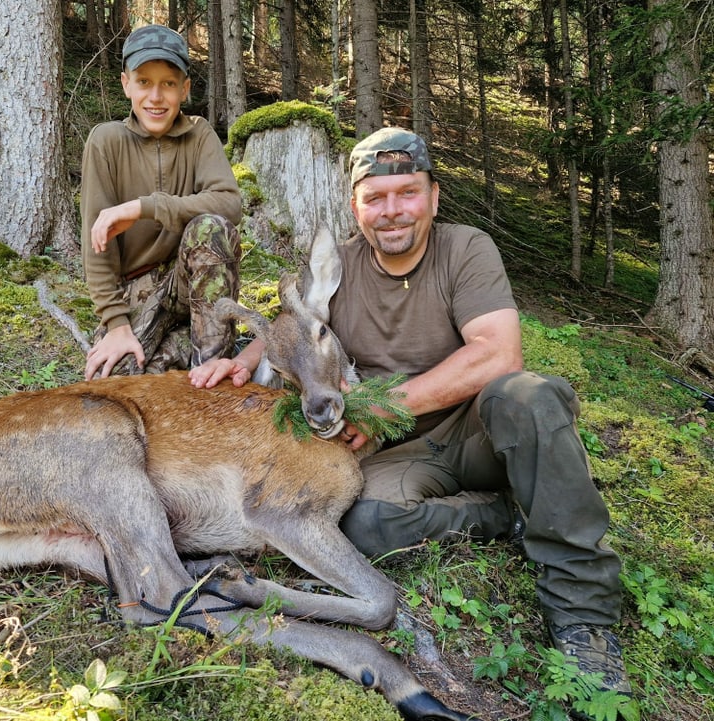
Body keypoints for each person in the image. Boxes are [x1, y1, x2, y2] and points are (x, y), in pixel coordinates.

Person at [190, 127, 635, 719]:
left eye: (408, 193)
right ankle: (501, 516)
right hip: (397, 452)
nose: (392, 211)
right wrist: (241, 363)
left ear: (433, 196)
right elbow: (296, 330)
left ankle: (584, 617)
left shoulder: (465, 249)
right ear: (356, 206)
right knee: (361, 524)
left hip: (475, 431)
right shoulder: (338, 266)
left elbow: (498, 353)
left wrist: (379, 409)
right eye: (375, 198)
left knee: (528, 398)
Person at [80, 24, 242, 380]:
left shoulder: (200, 136)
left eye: (168, 84)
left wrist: (144, 207)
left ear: (184, 89)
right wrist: (116, 323)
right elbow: (97, 244)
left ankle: (211, 365)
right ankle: (172, 354)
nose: (155, 97)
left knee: (210, 227)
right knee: (115, 382)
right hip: (136, 292)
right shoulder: (106, 142)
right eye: (144, 82)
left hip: (196, 289)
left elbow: (230, 204)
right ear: (126, 85)